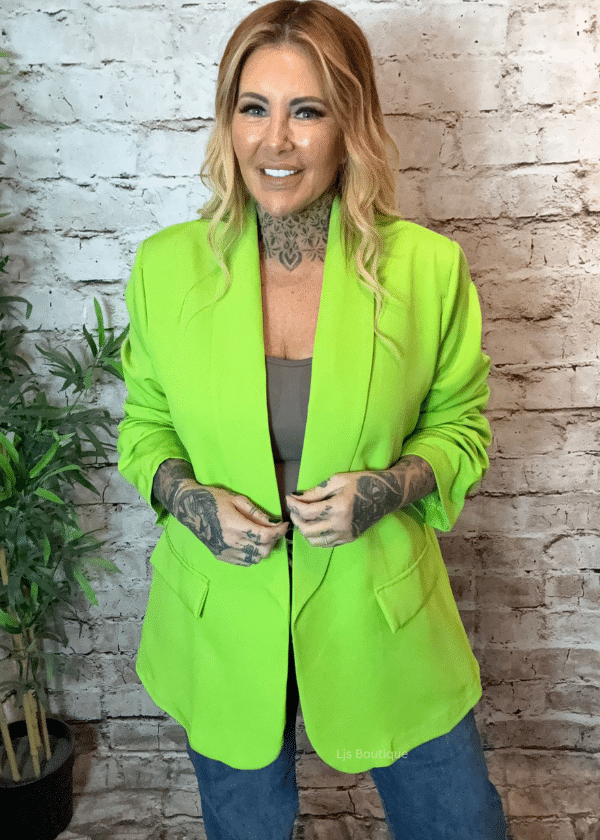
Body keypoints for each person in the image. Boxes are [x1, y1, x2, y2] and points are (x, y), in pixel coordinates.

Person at [117, 1, 510, 838]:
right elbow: (145, 427)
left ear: (350, 125)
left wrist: (387, 489)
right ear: (227, 121)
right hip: (221, 621)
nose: (276, 142)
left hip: (381, 614)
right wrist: (191, 500)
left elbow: (460, 427)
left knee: (459, 823)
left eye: (307, 111)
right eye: (253, 108)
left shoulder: (428, 270)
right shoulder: (164, 268)